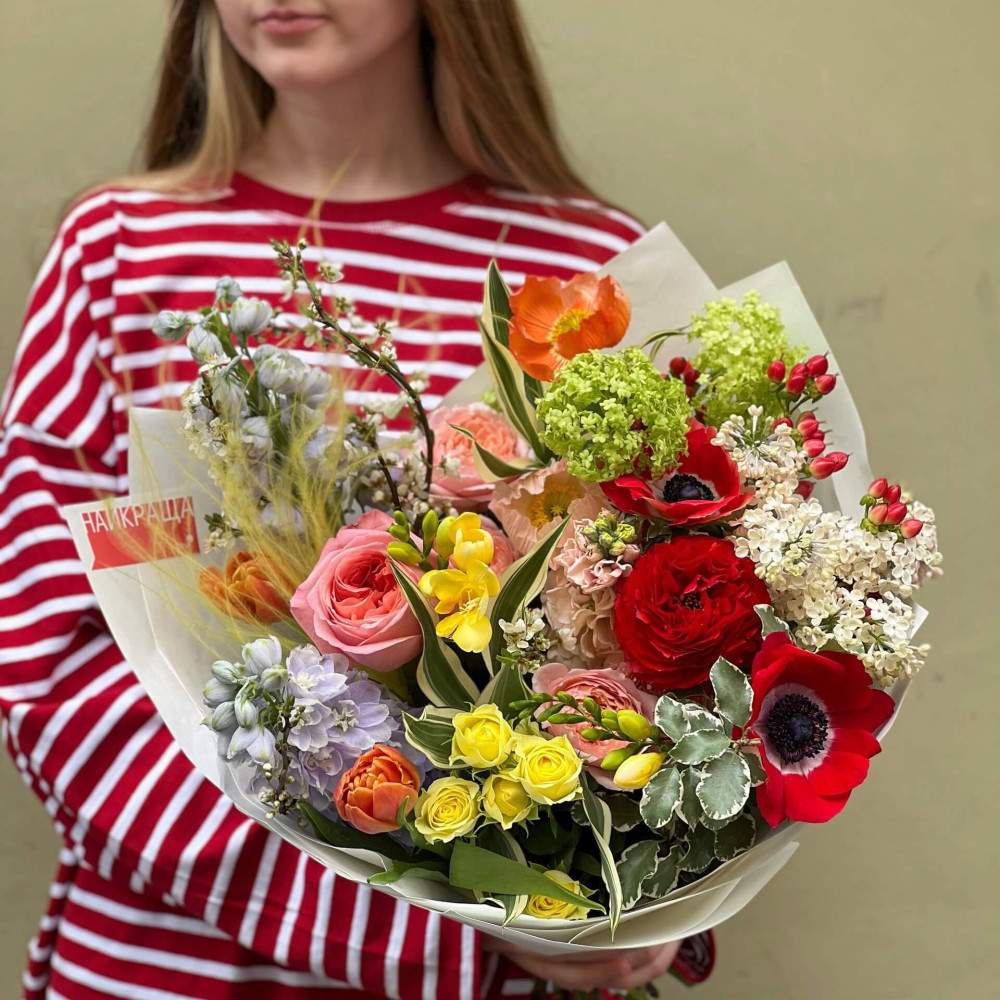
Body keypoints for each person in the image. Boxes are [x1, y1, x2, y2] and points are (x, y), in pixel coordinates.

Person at [0, 2, 714, 997]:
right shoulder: (124, 250)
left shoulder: (588, 276)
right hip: (169, 962)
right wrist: (460, 912)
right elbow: (57, 648)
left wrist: (627, 902)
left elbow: (685, 613)